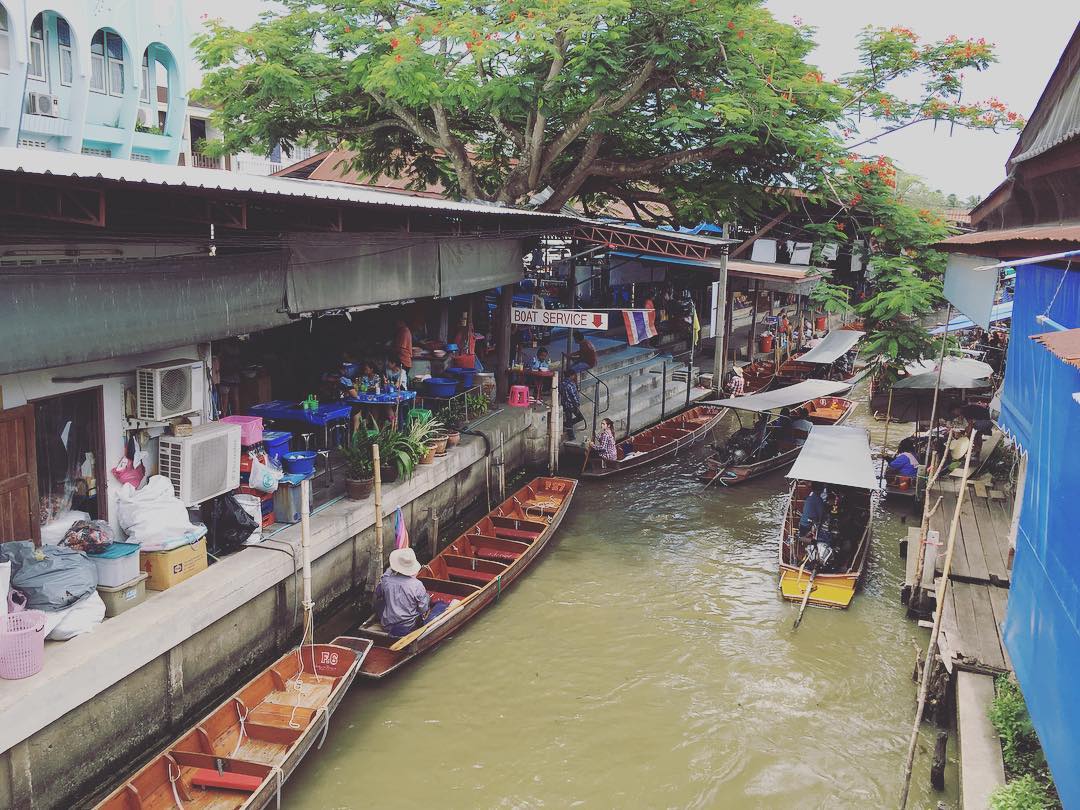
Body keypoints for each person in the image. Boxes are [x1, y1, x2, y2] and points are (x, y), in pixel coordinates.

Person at [374, 548, 451, 639]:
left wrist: (391, 569)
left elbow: (378, 592)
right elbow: (423, 609)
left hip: (387, 624)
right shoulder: (417, 585)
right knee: (441, 605)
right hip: (409, 625)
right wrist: (427, 598)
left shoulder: (386, 581)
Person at [559, 372, 586, 439]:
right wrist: (577, 404)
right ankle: (569, 431)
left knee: (569, 420)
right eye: (574, 375)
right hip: (572, 405)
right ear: (571, 376)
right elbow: (573, 396)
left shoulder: (561, 384)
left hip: (565, 404)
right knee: (580, 417)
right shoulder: (571, 384)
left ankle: (568, 428)